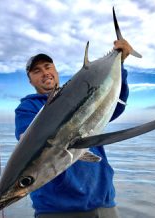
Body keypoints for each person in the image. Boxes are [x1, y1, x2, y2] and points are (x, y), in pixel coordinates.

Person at [15, 39, 133, 218]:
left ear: (55, 70)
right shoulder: (27, 108)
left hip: (104, 202)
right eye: (37, 71)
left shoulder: (80, 92)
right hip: (56, 210)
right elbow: (28, 140)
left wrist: (120, 63)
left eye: (48, 67)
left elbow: (115, 107)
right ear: (30, 80)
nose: (45, 73)